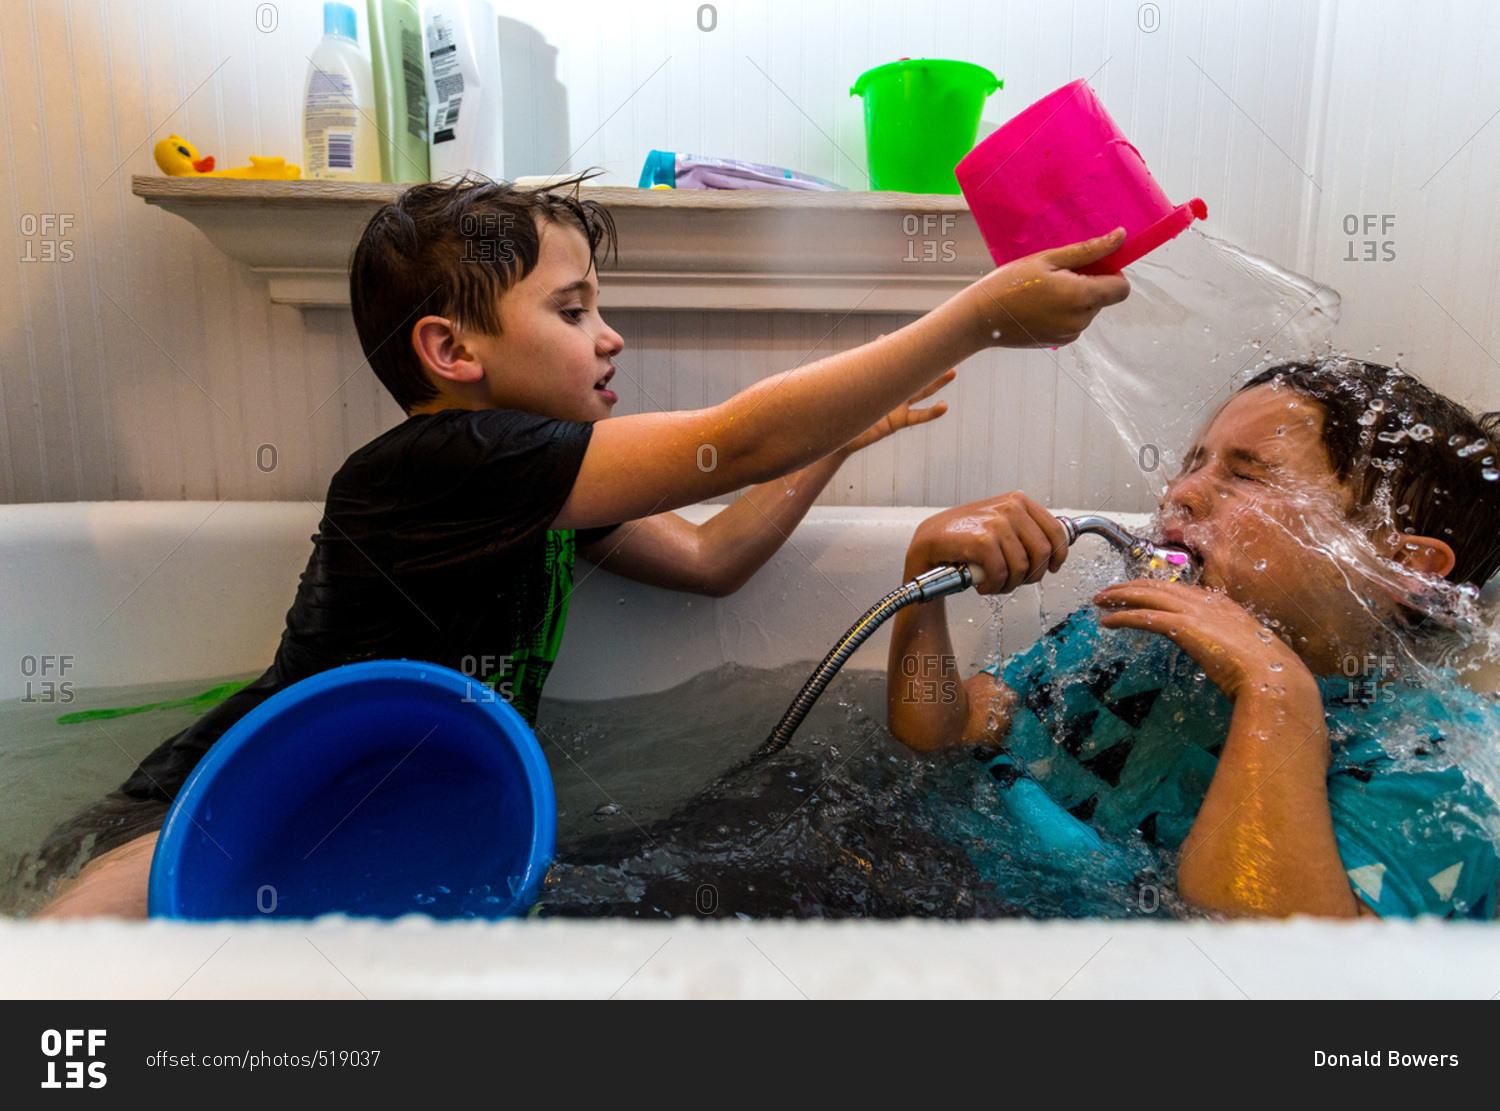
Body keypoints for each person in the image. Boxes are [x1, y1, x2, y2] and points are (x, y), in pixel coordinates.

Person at [34, 173, 1131, 918]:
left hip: (387, 794)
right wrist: (976, 317)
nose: (610, 336)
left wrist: (830, 445)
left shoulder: (537, 486)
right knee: (125, 912)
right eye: (573, 311)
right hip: (238, 787)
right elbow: (731, 441)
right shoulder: (446, 461)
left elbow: (711, 565)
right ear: (450, 349)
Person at [886, 358, 1500, 920]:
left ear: (1401, 568)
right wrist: (923, 582)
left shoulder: (1442, 767)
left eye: (1246, 476)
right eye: (1193, 464)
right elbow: (947, 731)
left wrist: (1274, 691)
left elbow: (1278, 968)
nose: (1178, 492)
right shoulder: (1139, 635)